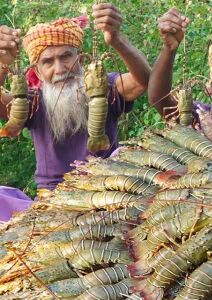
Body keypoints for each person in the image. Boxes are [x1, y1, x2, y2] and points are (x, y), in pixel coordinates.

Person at [0, 3, 150, 222]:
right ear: (38, 73)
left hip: (106, 193)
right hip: (52, 201)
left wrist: (117, 40)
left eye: (66, 56)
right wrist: (2, 64)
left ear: (80, 60)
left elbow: (143, 81)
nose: (60, 68)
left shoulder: (104, 87)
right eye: (48, 62)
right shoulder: (31, 102)